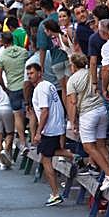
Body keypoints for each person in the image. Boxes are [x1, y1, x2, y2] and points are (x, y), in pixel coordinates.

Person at [66, 51, 109, 186]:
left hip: (87, 114)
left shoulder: (72, 80)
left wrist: (72, 122)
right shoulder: (91, 72)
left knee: (88, 146)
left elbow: (72, 103)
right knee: (101, 145)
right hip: (101, 109)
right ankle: (106, 174)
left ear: (73, 65)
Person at [27, 60, 73, 205]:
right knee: (52, 152)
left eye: (32, 73)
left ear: (40, 73)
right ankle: (75, 156)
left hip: (49, 128)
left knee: (46, 159)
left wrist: (39, 131)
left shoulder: (41, 88)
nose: (29, 76)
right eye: (28, 74)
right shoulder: (49, 85)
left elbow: (44, 110)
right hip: (56, 126)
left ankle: (55, 194)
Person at [0, 30, 29, 146]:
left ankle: (22, 142)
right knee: (31, 112)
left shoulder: (2, 56)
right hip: (26, 86)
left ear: (4, 42)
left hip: (13, 88)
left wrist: (5, 88)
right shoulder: (24, 52)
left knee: (17, 115)